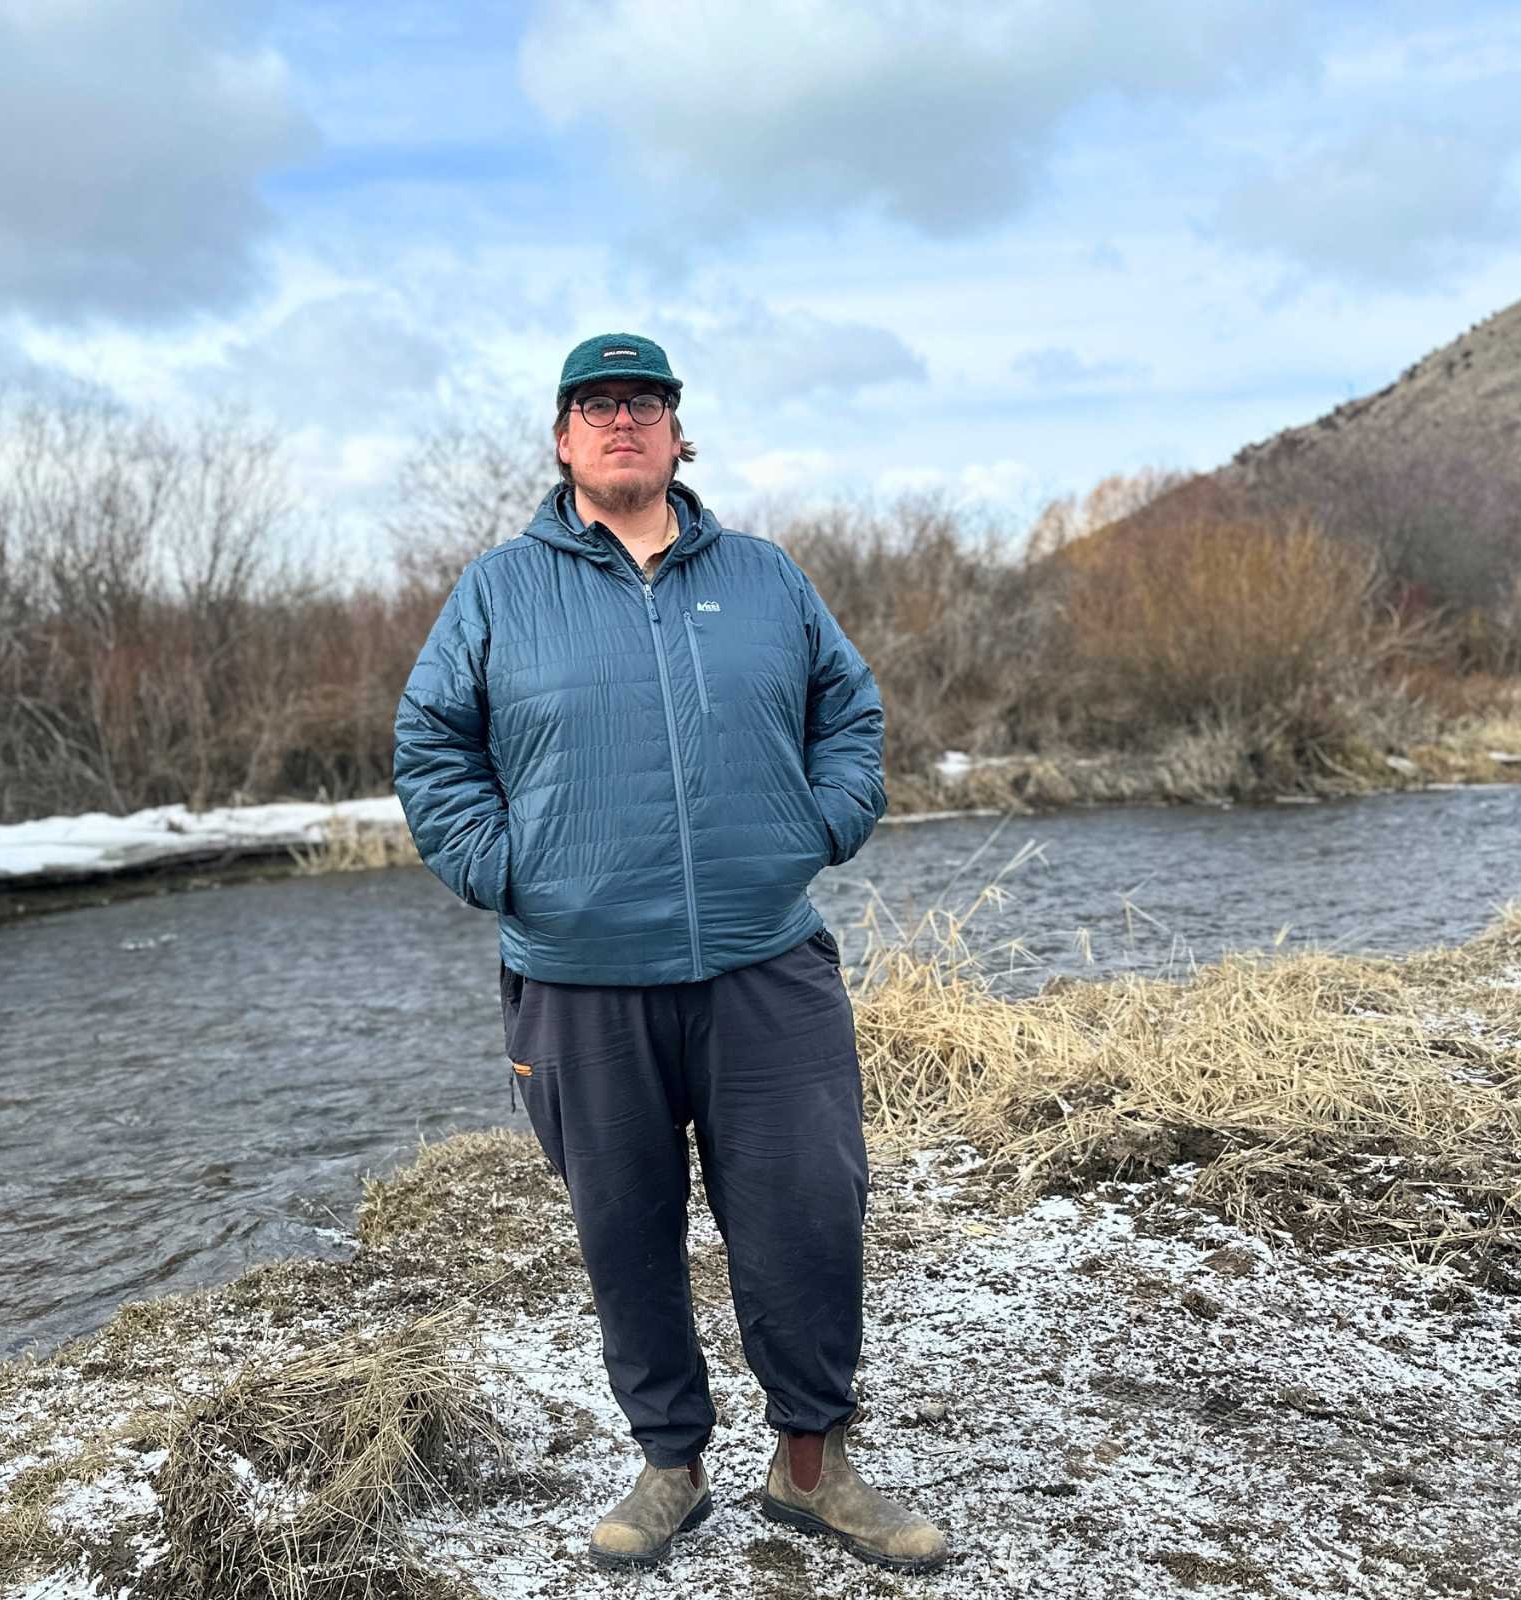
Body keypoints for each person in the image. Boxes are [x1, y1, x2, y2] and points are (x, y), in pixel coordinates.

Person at [391, 333, 949, 1574]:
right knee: (625, 1229)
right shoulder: (496, 591)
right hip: (581, 982)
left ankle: (813, 1467)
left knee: (809, 1213)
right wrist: (509, 868)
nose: (622, 420)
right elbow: (431, 748)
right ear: (563, 439)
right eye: (597, 405)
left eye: (644, 402)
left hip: (764, 964)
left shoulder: (763, 575)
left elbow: (846, 710)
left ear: (678, 432)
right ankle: (669, 1463)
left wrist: (825, 818)